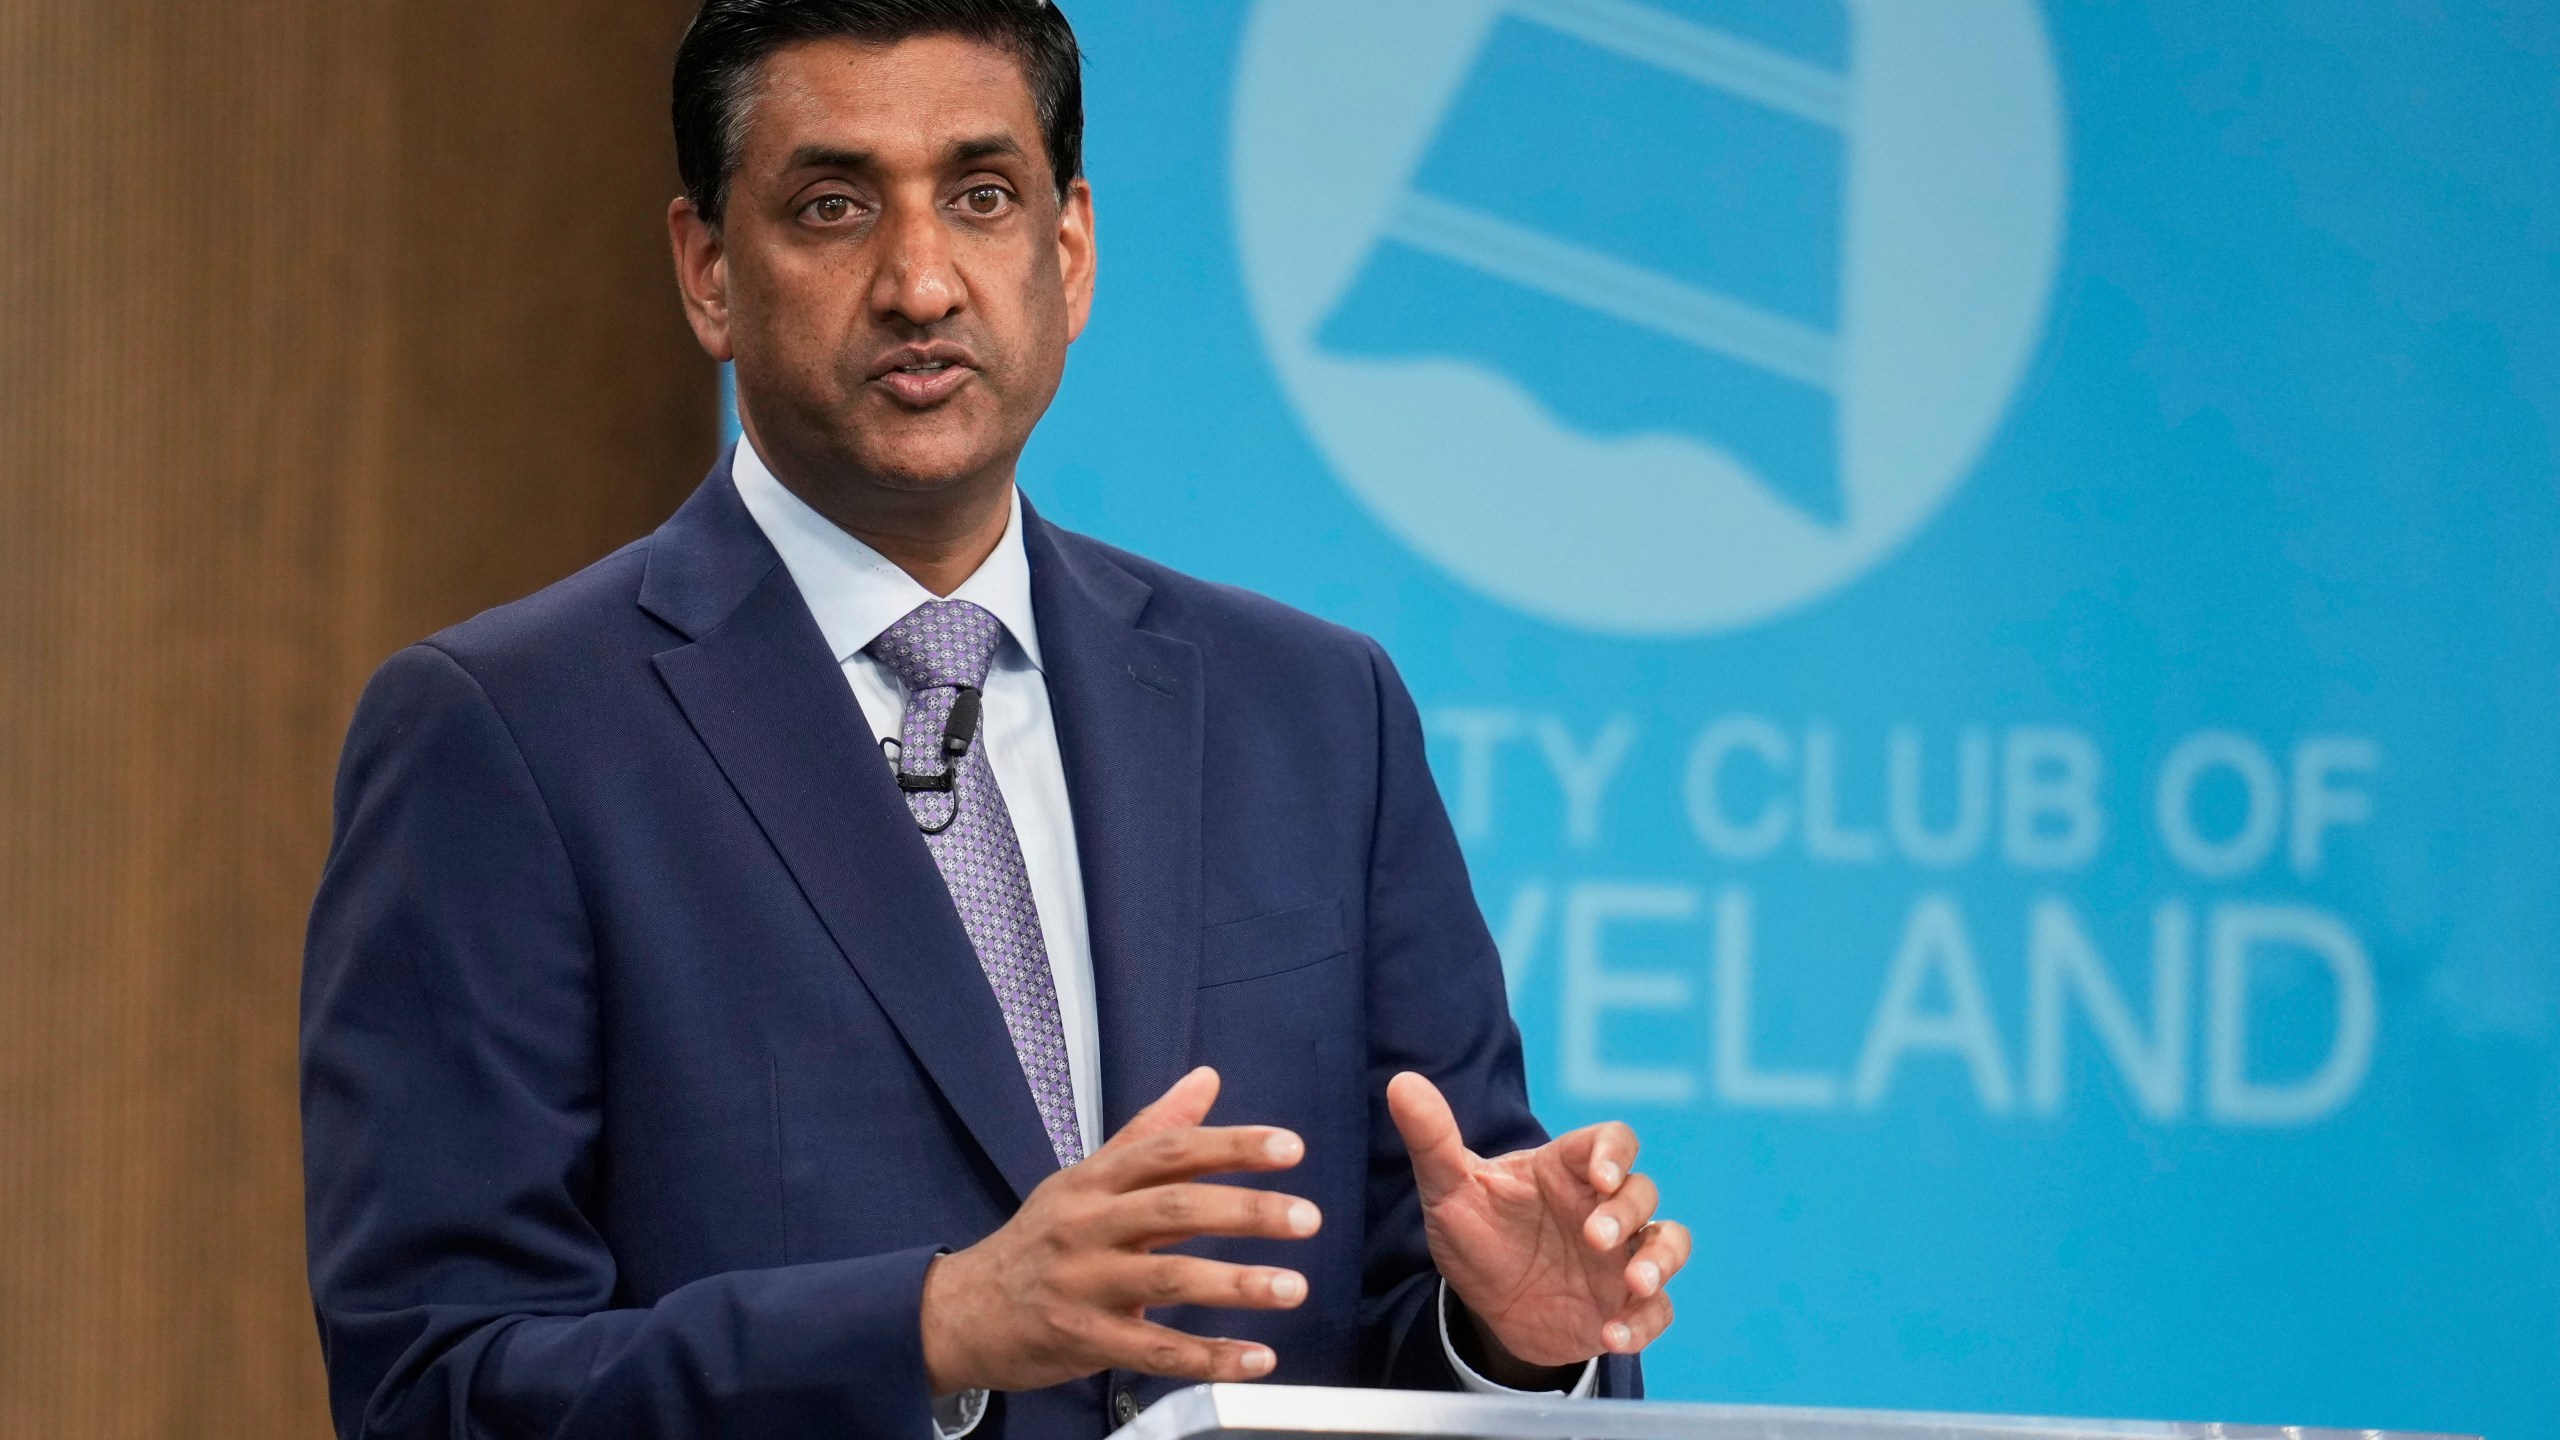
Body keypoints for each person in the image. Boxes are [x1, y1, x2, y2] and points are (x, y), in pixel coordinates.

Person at [299, 2, 1691, 1436]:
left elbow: (1418, 1283)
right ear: (709, 272)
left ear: (1070, 250)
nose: (920, 281)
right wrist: (934, 1327)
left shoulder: (1318, 716)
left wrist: (1511, 1342)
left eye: (981, 196)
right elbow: (434, 1388)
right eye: (833, 207)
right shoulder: (507, 734)